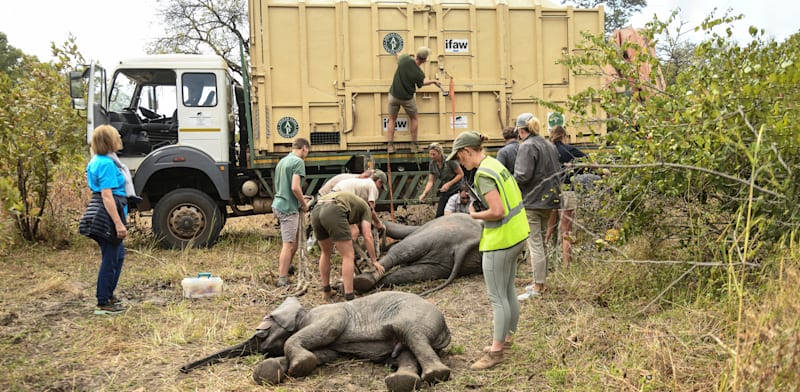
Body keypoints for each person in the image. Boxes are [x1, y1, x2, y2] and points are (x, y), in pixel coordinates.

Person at [447, 131, 529, 370]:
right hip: (517, 234)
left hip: (500, 240)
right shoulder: (495, 165)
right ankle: (507, 339)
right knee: (508, 290)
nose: (460, 163)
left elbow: (497, 211)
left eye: (459, 157)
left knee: (497, 297)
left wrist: (474, 215)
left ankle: (496, 352)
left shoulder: (483, 175)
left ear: (466, 151)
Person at [513, 113, 562, 300]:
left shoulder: (527, 146)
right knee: (541, 242)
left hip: (533, 201)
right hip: (550, 200)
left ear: (520, 130)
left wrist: (509, 181)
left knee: (535, 244)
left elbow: (522, 175)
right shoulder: (548, 144)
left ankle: (538, 286)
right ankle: (540, 282)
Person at [86, 125, 130, 315]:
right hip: (107, 216)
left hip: (105, 213)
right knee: (111, 258)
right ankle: (103, 302)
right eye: (115, 136)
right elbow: (107, 196)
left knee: (117, 256)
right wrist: (118, 223)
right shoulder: (106, 164)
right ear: (109, 141)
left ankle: (108, 296)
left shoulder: (98, 160)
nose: (119, 139)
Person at [312, 191, 385, 301]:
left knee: (325, 253)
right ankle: (349, 296)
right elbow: (367, 235)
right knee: (348, 256)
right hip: (333, 209)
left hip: (317, 208)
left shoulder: (354, 205)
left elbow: (353, 230)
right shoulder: (366, 209)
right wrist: (374, 261)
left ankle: (326, 291)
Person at [545, 125, 587, 269]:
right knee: (566, 231)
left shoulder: (546, 151)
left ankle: (541, 262)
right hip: (567, 190)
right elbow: (592, 164)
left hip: (550, 191)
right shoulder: (569, 150)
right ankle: (567, 266)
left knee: (548, 229)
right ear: (564, 136)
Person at [386, 47, 442, 153]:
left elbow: (399, 55)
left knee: (392, 119)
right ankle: (414, 145)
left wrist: (398, 52)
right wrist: (434, 81)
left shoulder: (405, 59)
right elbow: (422, 83)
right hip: (407, 99)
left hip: (393, 96)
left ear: (416, 55)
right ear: (425, 60)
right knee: (414, 118)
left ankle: (390, 146)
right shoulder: (419, 73)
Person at [271, 138, 311, 287]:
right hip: (288, 208)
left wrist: (300, 199)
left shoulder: (283, 161)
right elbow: (295, 187)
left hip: (279, 203)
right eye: (307, 151)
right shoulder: (298, 162)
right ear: (304, 148)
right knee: (288, 244)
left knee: (293, 241)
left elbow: (284, 186)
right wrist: (304, 204)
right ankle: (282, 279)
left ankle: (288, 266)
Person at [418, 142, 464, 218]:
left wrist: (449, 184)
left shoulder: (450, 160)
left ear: (440, 153)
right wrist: (424, 194)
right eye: (430, 154)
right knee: (439, 214)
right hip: (445, 189)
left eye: (434, 154)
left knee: (455, 213)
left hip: (457, 188)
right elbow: (430, 181)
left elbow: (461, 174)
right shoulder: (432, 163)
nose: (432, 156)